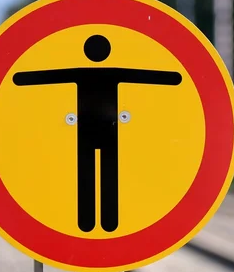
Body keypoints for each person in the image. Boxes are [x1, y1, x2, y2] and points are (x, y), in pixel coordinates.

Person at [13, 34, 182, 233]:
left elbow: (47, 76)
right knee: (108, 174)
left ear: (86, 51)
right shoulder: (115, 72)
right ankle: (109, 222)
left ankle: (86, 223)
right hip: (109, 131)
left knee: (86, 174)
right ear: (107, 51)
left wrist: (18, 78)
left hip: (85, 132)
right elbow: (146, 76)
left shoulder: (80, 72)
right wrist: (176, 78)